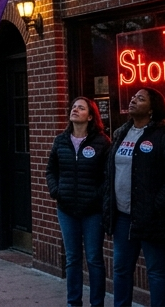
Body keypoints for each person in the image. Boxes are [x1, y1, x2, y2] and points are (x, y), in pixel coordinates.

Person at [106, 87, 165, 307]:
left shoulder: (164, 136)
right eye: (133, 97)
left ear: (152, 109)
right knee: (121, 269)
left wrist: (155, 205)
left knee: (156, 271)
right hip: (123, 216)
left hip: (154, 217)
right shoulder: (122, 133)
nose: (133, 100)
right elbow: (111, 171)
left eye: (140, 99)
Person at [46, 97, 112, 307]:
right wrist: (57, 191)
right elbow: (51, 171)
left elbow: (108, 176)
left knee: (94, 259)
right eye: (74, 107)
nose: (75, 110)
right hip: (66, 209)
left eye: (81, 108)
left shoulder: (102, 142)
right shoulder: (61, 141)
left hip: (92, 211)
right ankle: (73, 302)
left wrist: (96, 195)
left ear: (90, 116)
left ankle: (97, 303)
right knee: (72, 258)